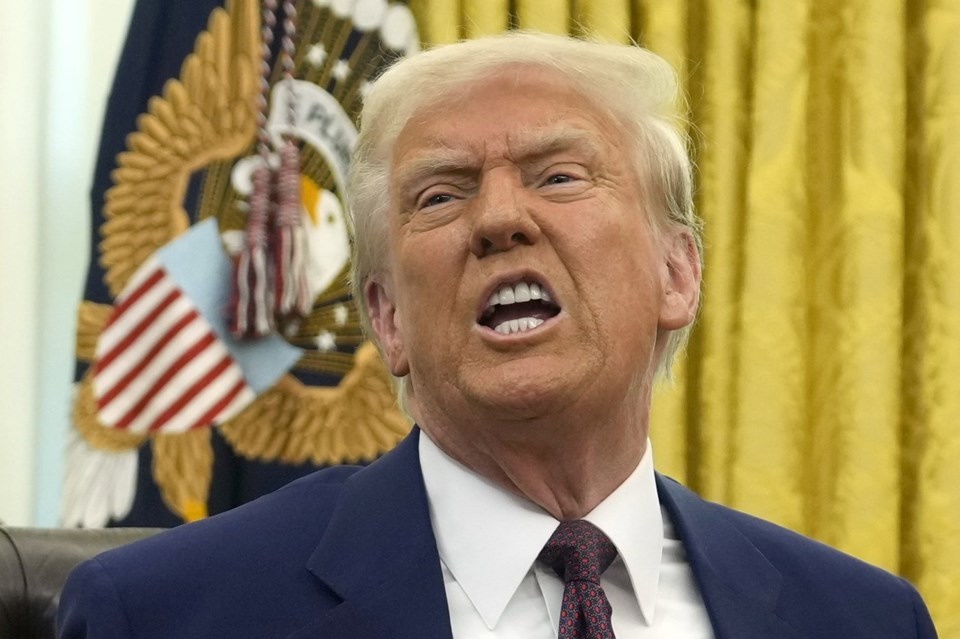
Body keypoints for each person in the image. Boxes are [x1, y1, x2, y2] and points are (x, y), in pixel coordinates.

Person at [58, 32, 938, 638]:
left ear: (678, 274)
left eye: (558, 175)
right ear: (388, 319)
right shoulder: (169, 614)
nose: (500, 218)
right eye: (441, 194)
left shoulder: (861, 617)